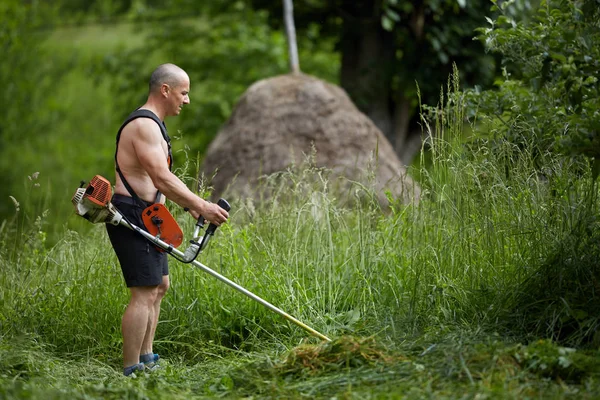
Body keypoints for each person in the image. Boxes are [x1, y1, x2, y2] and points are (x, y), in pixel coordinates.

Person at [106, 63, 229, 377]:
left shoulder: (155, 125)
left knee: (160, 286)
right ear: (165, 90)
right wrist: (201, 204)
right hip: (131, 214)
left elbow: (162, 178)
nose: (186, 100)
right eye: (183, 92)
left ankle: (148, 359)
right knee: (144, 291)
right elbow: (161, 178)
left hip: (151, 216)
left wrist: (188, 207)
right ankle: (130, 370)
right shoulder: (144, 126)